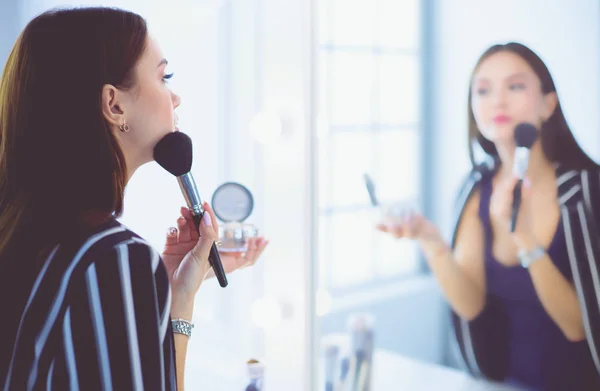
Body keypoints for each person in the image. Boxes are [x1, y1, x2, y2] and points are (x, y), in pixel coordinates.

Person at [0, 7, 268, 390]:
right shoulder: (112, 258)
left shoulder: (20, 230)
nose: (175, 97)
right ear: (114, 105)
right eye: (164, 76)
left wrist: (178, 294)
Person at [377, 42, 600, 390]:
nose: (497, 101)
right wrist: (429, 239)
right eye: (483, 90)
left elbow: (580, 327)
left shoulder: (587, 190)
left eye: (515, 86)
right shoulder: (474, 189)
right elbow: (471, 304)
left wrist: (525, 240)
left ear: (548, 104)